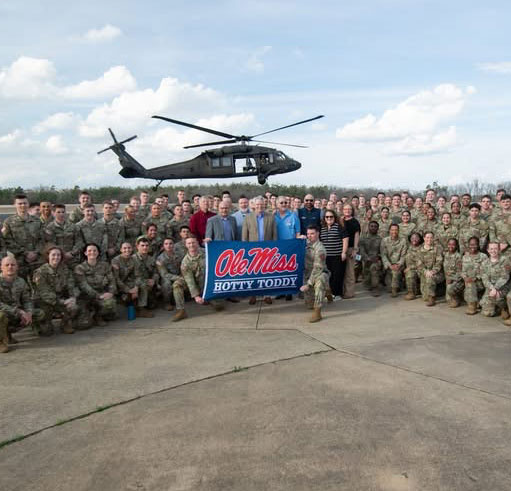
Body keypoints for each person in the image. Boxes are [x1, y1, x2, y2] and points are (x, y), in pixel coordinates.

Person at [172, 236, 225, 322]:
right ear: (186, 245)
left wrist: (212, 244)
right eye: (189, 243)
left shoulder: (206, 251)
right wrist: (196, 296)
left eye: (193, 242)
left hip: (207, 281)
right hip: (194, 282)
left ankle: (210, 299)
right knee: (177, 285)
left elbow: (221, 254)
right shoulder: (185, 262)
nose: (191, 245)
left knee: (219, 307)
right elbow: (190, 281)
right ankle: (181, 310)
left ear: (197, 243)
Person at [0, 255, 45, 352]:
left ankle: (7, 333)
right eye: (7, 265)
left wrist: (28, 313)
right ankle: (1, 342)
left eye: (13, 265)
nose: (10, 267)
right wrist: (19, 311)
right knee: (1, 316)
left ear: (17, 267)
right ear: (1, 267)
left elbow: (27, 300)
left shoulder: (21, 281)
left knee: (39, 313)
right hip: (5, 312)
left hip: (16, 314)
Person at [33, 245, 78, 335]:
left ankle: (65, 324)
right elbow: (45, 293)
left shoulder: (65, 269)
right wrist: (63, 302)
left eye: (58, 255)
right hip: (43, 302)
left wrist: (73, 297)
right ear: (48, 256)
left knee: (73, 307)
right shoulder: (40, 272)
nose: (56, 257)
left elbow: (71, 285)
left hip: (60, 299)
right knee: (46, 332)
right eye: (53, 255)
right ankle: (38, 324)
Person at [2, 194, 44, 279]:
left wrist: (35, 252)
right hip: (19, 261)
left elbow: (42, 238)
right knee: (21, 285)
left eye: (25, 203)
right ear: (15, 205)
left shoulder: (37, 220)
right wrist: (25, 253)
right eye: (20, 203)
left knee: (39, 283)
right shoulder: (9, 222)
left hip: (37, 260)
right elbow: (8, 241)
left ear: (28, 204)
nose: (23, 205)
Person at [74, 243, 117, 327]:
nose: (92, 252)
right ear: (85, 253)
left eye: (94, 250)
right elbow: (84, 286)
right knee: (83, 325)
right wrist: (98, 296)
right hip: (85, 297)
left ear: (98, 253)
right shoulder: (79, 268)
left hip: (101, 293)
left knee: (110, 303)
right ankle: (86, 314)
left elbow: (112, 280)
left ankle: (98, 316)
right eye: (89, 251)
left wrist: (111, 292)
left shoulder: (105, 265)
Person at [300, 225, 329, 322]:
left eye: (312, 234)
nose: (309, 236)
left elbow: (318, 268)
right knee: (309, 305)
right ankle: (328, 290)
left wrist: (308, 284)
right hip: (308, 273)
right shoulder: (305, 243)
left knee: (320, 281)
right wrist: (298, 239)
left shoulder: (320, 249)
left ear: (317, 234)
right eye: (308, 234)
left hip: (320, 272)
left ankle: (317, 312)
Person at [320, 210, 348, 300]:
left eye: (331, 216)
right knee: (328, 276)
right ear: (324, 218)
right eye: (327, 217)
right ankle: (329, 294)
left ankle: (337, 294)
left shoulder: (339, 227)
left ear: (334, 217)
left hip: (337, 256)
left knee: (337, 276)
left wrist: (343, 252)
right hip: (326, 257)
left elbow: (345, 239)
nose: (329, 218)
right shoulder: (322, 228)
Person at [480, 242, 511, 318]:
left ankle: (504, 308)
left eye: (495, 248)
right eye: (491, 249)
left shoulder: (505, 260)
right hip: (491, 287)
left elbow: (505, 277)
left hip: (505, 286)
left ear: (499, 250)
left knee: (497, 296)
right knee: (487, 313)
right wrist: (492, 288)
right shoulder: (484, 263)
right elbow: (485, 278)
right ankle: (498, 307)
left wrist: (495, 289)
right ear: (487, 250)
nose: (493, 251)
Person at [462, 236, 489, 315]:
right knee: (468, 288)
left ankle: (472, 306)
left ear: (478, 245)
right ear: (468, 245)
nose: (472, 246)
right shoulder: (465, 257)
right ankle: (476, 301)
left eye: (475, 244)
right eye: (471, 244)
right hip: (468, 282)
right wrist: (465, 278)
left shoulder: (483, 256)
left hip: (481, 282)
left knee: (470, 285)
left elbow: (485, 272)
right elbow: (463, 271)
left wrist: (475, 278)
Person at [132, 236, 159, 317]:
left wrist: (153, 279)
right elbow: (131, 275)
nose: (145, 247)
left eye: (147, 245)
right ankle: (141, 309)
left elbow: (155, 272)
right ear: (137, 247)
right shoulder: (132, 259)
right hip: (135, 282)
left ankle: (145, 302)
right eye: (142, 245)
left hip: (147, 282)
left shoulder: (151, 259)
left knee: (152, 305)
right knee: (143, 284)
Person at [416, 231, 444, 306]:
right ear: (424, 238)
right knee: (424, 297)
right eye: (427, 237)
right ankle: (433, 293)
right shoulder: (419, 249)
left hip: (437, 273)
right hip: (424, 273)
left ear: (433, 238)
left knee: (430, 279)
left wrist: (433, 271)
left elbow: (439, 262)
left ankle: (431, 298)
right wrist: (426, 272)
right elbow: (419, 265)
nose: (429, 239)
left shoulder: (438, 248)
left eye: (431, 237)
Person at [380, 224, 408, 297]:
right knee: (389, 287)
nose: (394, 231)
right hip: (388, 265)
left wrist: (398, 264)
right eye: (392, 230)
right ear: (389, 231)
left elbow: (404, 255)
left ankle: (394, 290)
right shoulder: (384, 240)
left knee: (395, 273)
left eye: (396, 230)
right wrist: (389, 265)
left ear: (398, 231)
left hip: (399, 265)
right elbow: (383, 255)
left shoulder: (403, 240)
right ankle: (395, 284)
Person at [340, 204, 360, 299]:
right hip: (340, 248)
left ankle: (349, 292)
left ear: (352, 210)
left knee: (350, 272)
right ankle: (341, 291)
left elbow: (356, 235)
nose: (347, 210)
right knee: (341, 271)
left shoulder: (355, 222)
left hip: (350, 248)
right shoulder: (340, 220)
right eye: (345, 209)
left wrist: (355, 249)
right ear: (342, 210)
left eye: (349, 209)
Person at [111, 242, 139, 309]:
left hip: (127, 281)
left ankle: (138, 307)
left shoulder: (134, 259)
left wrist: (136, 287)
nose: (127, 250)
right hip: (117, 284)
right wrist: (128, 290)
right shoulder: (115, 260)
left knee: (141, 285)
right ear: (121, 250)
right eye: (124, 248)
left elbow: (137, 275)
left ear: (132, 249)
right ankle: (122, 299)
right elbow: (116, 278)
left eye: (129, 248)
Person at [156, 238, 181, 311]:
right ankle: (167, 303)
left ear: (173, 245)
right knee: (166, 283)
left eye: (170, 243)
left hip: (178, 276)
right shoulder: (160, 258)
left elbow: (183, 267)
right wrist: (178, 278)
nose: (168, 246)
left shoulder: (179, 255)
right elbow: (164, 274)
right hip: (167, 278)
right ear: (163, 246)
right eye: (166, 244)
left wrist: (182, 276)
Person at [359, 221, 382, 296]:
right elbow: (361, 251)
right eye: (371, 226)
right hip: (366, 260)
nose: (373, 228)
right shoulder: (363, 238)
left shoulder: (380, 239)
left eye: (375, 226)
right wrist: (367, 258)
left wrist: (378, 258)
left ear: (378, 228)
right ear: (368, 227)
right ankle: (364, 279)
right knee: (367, 284)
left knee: (374, 267)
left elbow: (383, 251)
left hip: (376, 260)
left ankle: (376, 288)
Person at [443, 238, 464, 308]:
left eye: (453, 244)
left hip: (457, 280)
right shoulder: (446, 255)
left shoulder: (458, 256)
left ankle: (457, 299)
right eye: (449, 244)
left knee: (450, 288)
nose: (451, 246)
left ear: (456, 246)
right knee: (448, 299)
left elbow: (460, 273)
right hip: (448, 280)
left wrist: (452, 279)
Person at [403, 232, 423, 300]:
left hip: (421, 269)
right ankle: (411, 293)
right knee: (409, 274)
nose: (414, 239)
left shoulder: (423, 248)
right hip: (411, 270)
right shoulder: (408, 248)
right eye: (412, 238)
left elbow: (422, 262)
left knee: (425, 296)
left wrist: (410, 267)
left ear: (420, 239)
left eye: (416, 238)